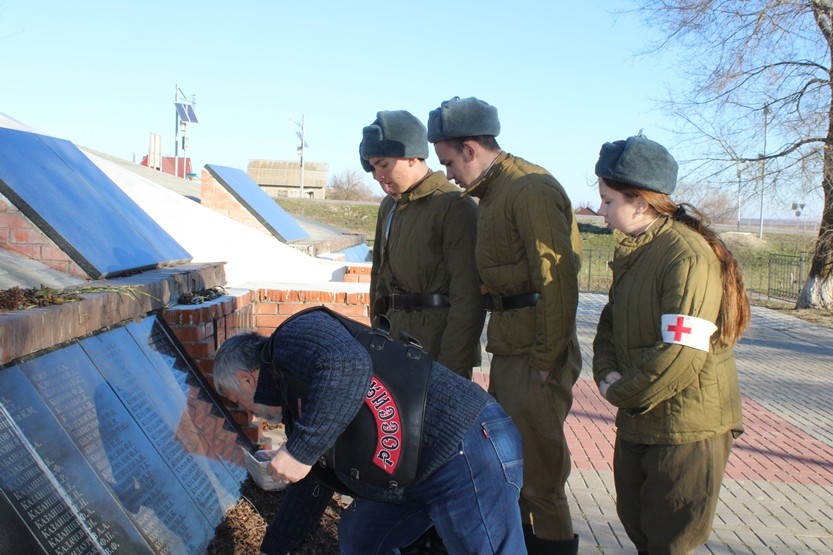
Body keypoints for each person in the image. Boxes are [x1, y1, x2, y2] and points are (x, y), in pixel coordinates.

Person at [211, 306, 526, 555]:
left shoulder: (293, 337)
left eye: (236, 399)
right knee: (362, 537)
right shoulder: (297, 405)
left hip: (467, 446)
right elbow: (312, 486)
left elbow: (350, 366)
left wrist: (299, 452)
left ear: (247, 378)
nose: (246, 410)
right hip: (416, 471)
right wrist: (274, 549)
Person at [427, 96, 583, 555]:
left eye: (450, 161)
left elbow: (557, 281)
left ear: (471, 148)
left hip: (534, 351)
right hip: (514, 346)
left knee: (539, 478)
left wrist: (547, 360)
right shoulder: (497, 192)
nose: (450, 174)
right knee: (513, 471)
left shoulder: (528, 189)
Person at [592, 135, 750, 555]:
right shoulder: (640, 250)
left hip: (686, 427)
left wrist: (619, 391)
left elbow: (681, 353)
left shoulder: (686, 255)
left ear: (640, 201)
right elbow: (609, 322)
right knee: (641, 528)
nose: (601, 212)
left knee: (670, 541)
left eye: (608, 202)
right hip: (644, 415)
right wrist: (605, 372)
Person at [362, 109, 485, 379]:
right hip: (393, 344)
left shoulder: (454, 206)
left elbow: (468, 298)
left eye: (383, 164)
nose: (378, 176)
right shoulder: (389, 207)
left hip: (437, 350)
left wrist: (451, 370)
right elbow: (379, 278)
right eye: (372, 167)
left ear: (412, 155)